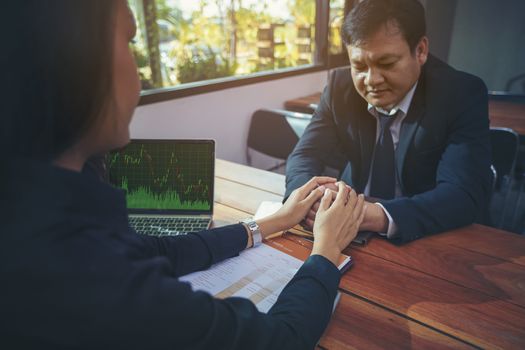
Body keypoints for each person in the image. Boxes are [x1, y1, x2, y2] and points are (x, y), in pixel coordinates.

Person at [0, 1, 366, 348]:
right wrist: (324, 250)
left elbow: (157, 250)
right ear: (70, 59)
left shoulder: (39, 215)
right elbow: (279, 339)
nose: (140, 73)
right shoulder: (83, 270)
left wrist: (270, 223)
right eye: (129, 41)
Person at [285, 0, 492, 244]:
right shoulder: (340, 86)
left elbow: (462, 195)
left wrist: (371, 215)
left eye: (387, 64)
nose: (371, 80)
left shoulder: (460, 93)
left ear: (421, 51)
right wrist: (310, 201)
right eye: (359, 66)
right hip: (349, 231)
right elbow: (304, 155)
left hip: (427, 233)